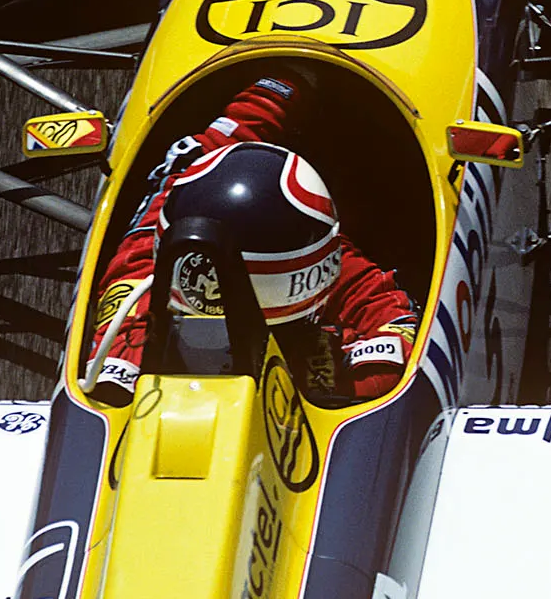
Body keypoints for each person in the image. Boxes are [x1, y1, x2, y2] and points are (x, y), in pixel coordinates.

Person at [87, 71, 418, 405]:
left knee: (241, 122)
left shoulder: (319, 255)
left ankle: (292, 76)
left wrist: (290, 78)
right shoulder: (138, 286)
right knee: (205, 148)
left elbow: (390, 326)